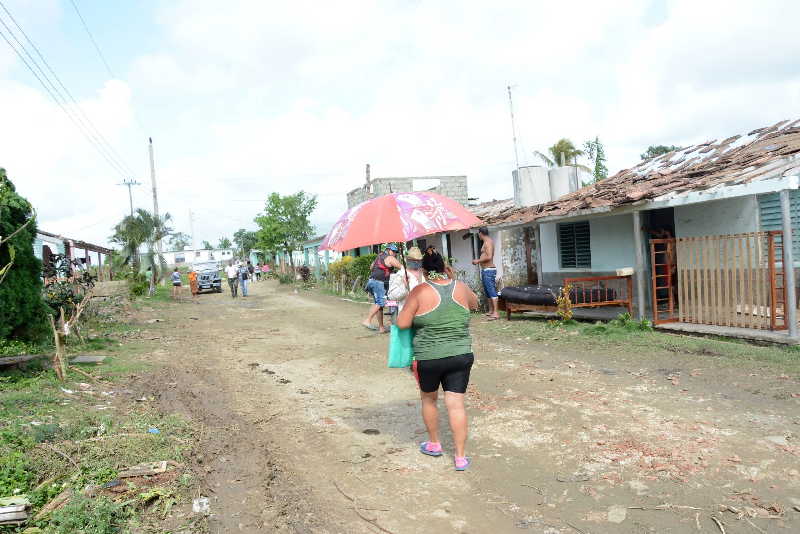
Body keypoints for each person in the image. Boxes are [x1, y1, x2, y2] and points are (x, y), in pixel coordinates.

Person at [397, 264, 479, 471]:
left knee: (429, 399)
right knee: (456, 404)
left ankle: (434, 444)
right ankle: (460, 457)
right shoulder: (460, 287)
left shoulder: (419, 291)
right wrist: (455, 279)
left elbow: (403, 324)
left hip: (429, 357)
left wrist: (410, 299)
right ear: (446, 268)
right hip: (460, 355)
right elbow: (475, 304)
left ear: (424, 271)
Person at [362, 243, 403, 334]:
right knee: (382, 302)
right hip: (379, 283)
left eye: (396, 252)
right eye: (393, 251)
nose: (395, 253)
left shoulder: (379, 256)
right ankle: (367, 320)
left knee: (378, 305)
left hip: (372, 281)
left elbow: (371, 267)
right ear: (388, 250)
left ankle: (381, 328)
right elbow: (402, 268)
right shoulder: (390, 258)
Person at [387, 246, 425, 315]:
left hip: (422, 312)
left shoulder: (424, 274)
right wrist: (404, 286)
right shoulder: (400, 274)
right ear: (408, 260)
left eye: (418, 260)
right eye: (413, 260)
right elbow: (392, 296)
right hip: (406, 313)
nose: (416, 262)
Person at [472, 227, 499, 320]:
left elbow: (489, 256)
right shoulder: (486, 242)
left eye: (478, 234)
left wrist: (478, 261)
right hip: (485, 270)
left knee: (491, 291)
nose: (478, 235)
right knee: (487, 291)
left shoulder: (488, 242)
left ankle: (495, 313)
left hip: (489, 270)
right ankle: (491, 311)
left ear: (480, 233)